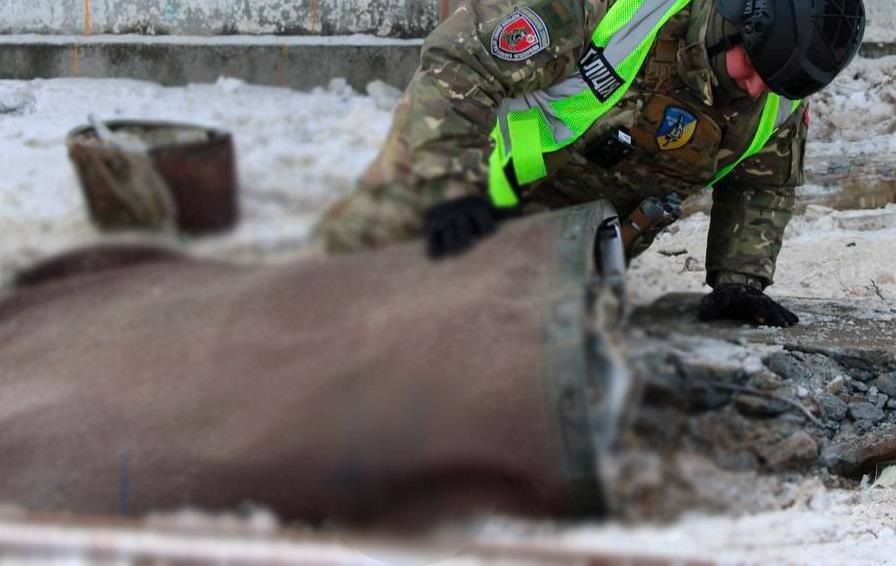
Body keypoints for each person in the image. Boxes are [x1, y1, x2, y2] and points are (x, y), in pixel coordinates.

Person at [317, 0, 865, 327]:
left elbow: (762, 184)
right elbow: (457, 63)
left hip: (565, 251)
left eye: (774, 83)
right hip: (455, 191)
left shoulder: (776, 91)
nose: (756, 90)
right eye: (752, 68)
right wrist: (448, 186)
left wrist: (739, 281)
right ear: (737, 16)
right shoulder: (617, 12)